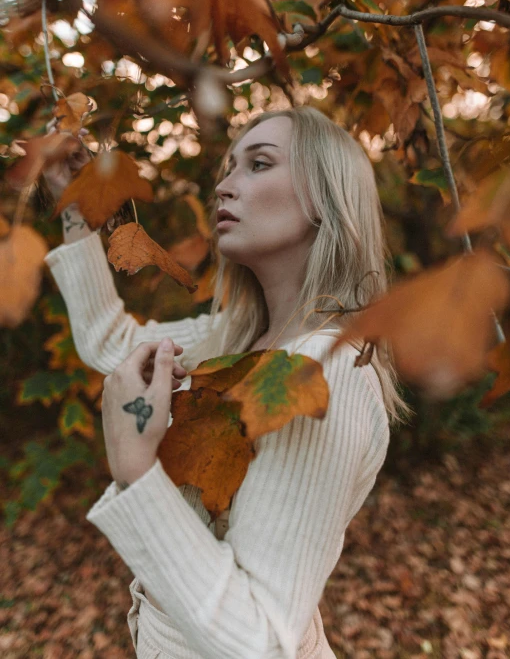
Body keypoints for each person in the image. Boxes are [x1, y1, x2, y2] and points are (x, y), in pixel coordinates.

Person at [43, 106, 412, 659]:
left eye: (258, 164)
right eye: (228, 167)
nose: (224, 185)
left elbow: (259, 642)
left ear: (324, 197)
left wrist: (136, 471)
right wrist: (76, 204)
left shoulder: (325, 371)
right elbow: (108, 341)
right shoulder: (235, 338)